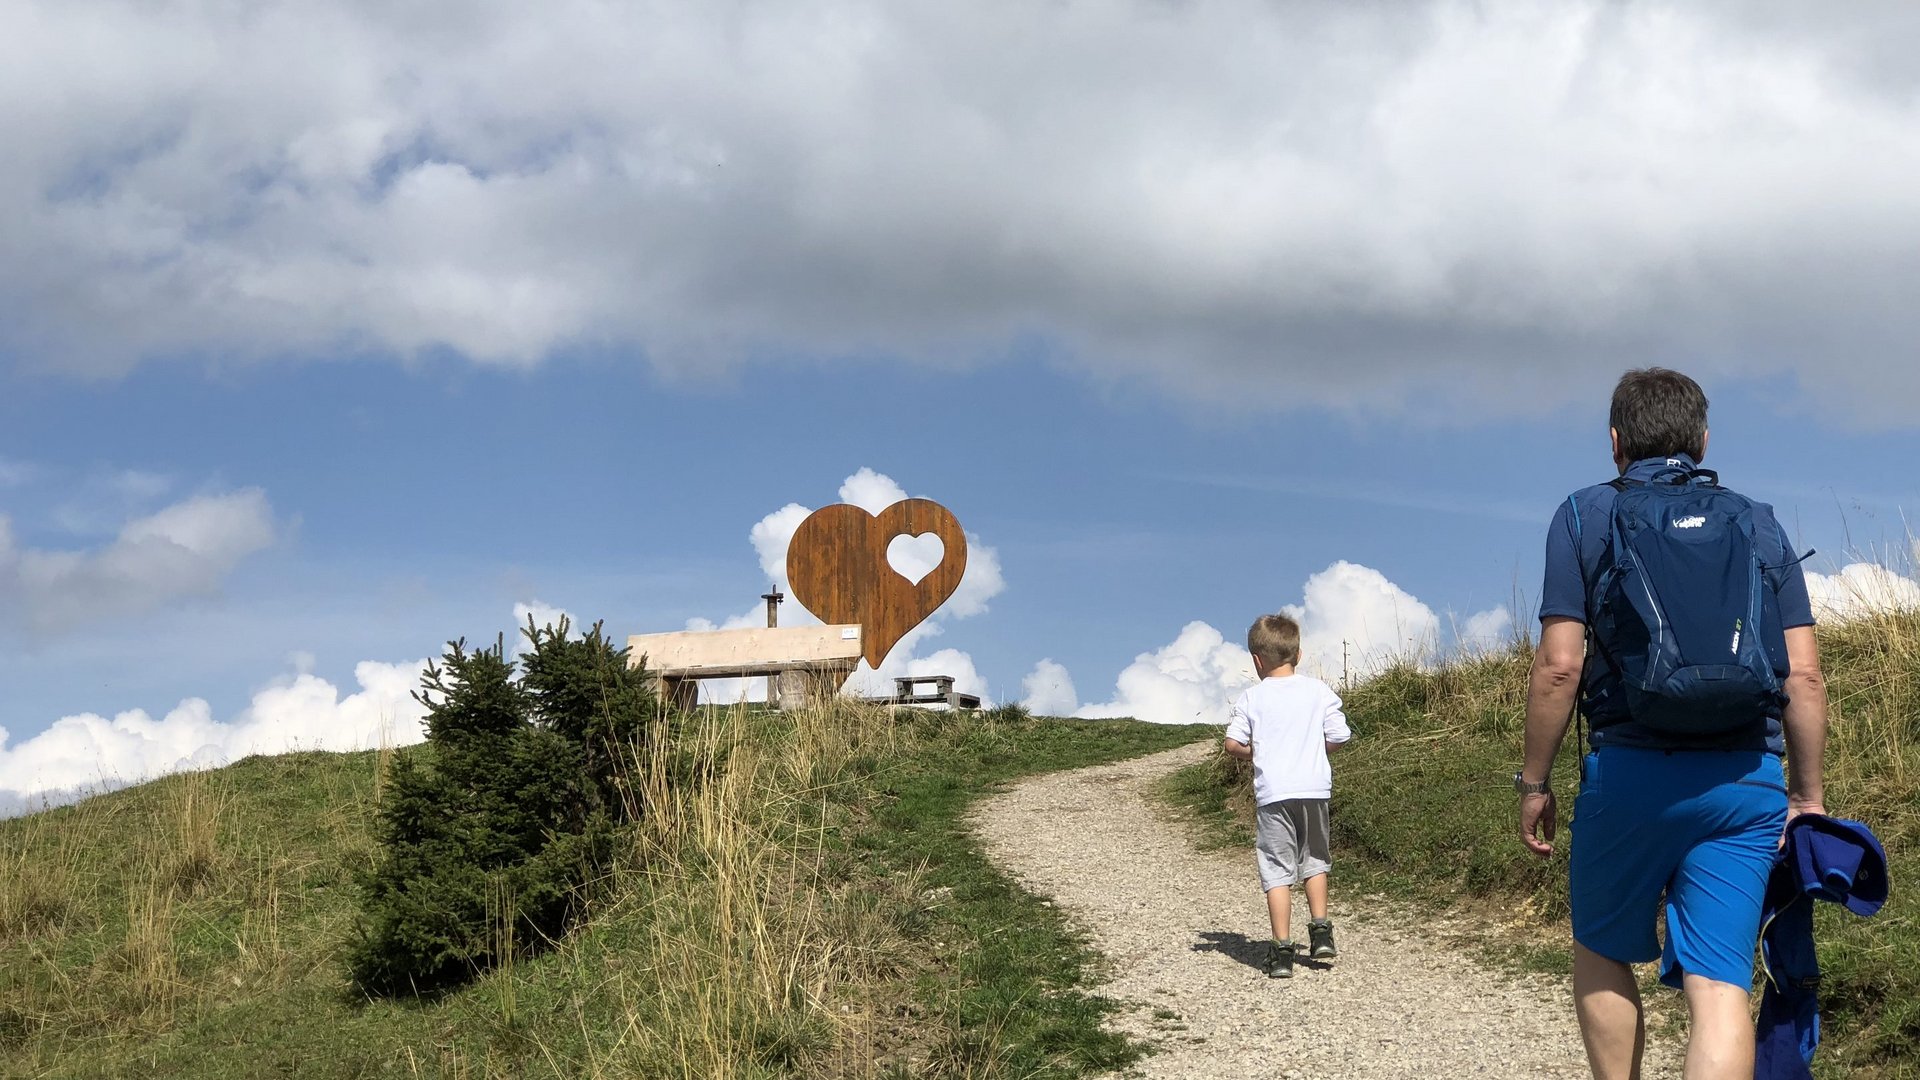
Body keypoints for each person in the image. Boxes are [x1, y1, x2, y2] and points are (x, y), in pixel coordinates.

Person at [1519, 368, 1829, 1080]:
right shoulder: (1759, 520)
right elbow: (1803, 676)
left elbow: (1560, 666)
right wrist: (1805, 798)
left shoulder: (1581, 514)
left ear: (1616, 442)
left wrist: (1534, 780)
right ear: (1704, 439)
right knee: (1720, 983)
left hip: (1629, 774)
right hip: (1746, 781)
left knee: (1601, 949)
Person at [1224, 613, 1353, 979]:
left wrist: (1257, 754)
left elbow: (1233, 743)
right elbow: (1340, 735)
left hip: (1273, 794)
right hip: (1314, 790)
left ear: (1256, 660)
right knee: (1314, 858)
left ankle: (1281, 951)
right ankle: (1321, 929)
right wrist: (1316, 750)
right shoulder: (1318, 691)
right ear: (1298, 655)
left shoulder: (1252, 698)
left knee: (1277, 870)